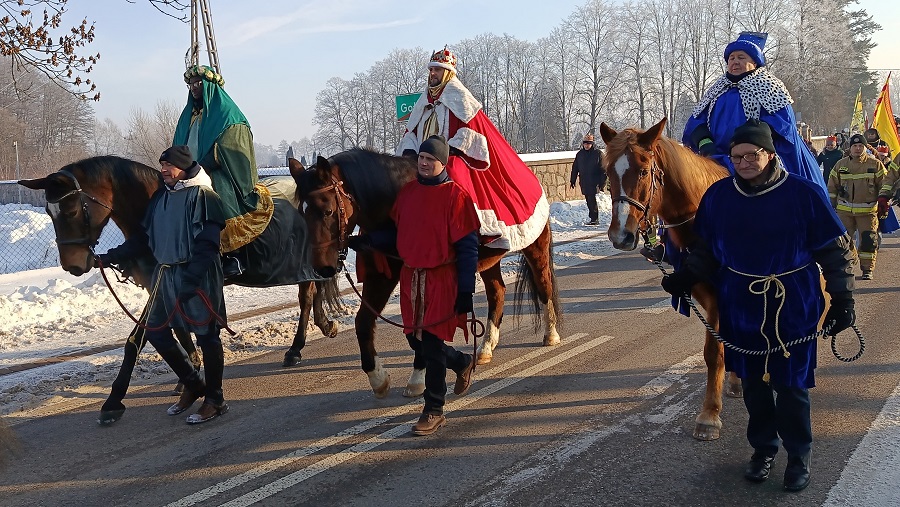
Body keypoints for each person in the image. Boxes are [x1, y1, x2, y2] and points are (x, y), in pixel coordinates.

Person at [661, 119, 855, 492]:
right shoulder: (719, 198)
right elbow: (705, 251)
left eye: (753, 154)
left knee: (791, 385)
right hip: (741, 304)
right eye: (737, 156)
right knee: (753, 385)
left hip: (792, 302)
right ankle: (764, 449)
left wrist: (843, 297)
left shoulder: (804, 194)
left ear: (770, 154)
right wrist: (685, 277)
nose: (745, 162)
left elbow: (833, 251)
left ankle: (799, 455)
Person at [97, 145, 230, 424]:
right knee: (156, 332)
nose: (163, 171)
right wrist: (109, 257)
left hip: (198, 276)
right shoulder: (161, 198)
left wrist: (191, 281)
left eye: (168, 166)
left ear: (183, 167)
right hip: (165, 275)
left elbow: (208, 245)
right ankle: (194, 384)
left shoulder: (204, 197)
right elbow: (143, 239)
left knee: (206, 337)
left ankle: (215, 399)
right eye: (161, 166)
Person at [396, 46, 549, 252]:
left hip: (450, 158)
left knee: (454, 177)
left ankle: (475, 233)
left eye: (437, 70)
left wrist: (443, 153)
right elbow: (411, 133)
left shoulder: (460, 97)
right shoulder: (423, 101)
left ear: (448, 73)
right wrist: (410, 153)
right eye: (431, 70)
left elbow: (471, 134)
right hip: (423, 161)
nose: (432, 74)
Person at [391, 135, 479, 436]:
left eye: (430, 159)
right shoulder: (408, 193)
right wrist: (362, 243)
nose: (424, 163)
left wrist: (466, 291)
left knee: (429, 343)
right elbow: (397, 233)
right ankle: (461, 360)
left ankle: (434, 408)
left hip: (442, 278)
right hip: (411, 277)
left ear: (442, 162)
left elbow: (468, 248)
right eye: (421, 158)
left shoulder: (456, 197)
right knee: (416, 340)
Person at [682, 32, 827, 191]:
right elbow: (696, 121)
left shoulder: (770, 87)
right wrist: (705, 144)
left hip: (757, 158)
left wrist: (749, 145)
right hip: (715, 157)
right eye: (731, 58)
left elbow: (782, 125)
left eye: (741, 57)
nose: (735, 62)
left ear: (755, 62)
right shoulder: (716, 89)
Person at [174, 65, 266, 276]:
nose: (194, 88)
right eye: (191, 85)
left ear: (210, 86)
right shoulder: (190, 116)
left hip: (217, 171)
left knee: (219, 194)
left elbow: (230, 147)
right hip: (189, 172)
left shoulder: (228, 114)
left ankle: (233, 254)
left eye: (198, 84)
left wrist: (200, 167)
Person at [827, 134, 895, 280]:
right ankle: (848, 264)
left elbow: (885, 184)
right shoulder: (841, 165)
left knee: (868, 242)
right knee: (843, 241)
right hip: (844, 212)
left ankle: (867, 269)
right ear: (850, 148)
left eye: (860, 146)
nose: (858, 148)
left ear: (865, 147)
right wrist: (831, 207)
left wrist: (884, 201)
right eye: (855, 146)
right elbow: (832, 187)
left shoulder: (875, 164)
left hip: (868, 212)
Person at [570, 133, 607, 226]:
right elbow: (575, 168)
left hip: (594, 181)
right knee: (588, 199)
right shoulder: (580, 154)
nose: (586, 145)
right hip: (584, 180)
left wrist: (602, 183)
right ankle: (593, 218)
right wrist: (572, 180)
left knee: (591, 199)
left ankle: (594, 218)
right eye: (585, 143)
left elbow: (604, 169)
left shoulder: (598, 154)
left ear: (592, 144)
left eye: (588, 143)